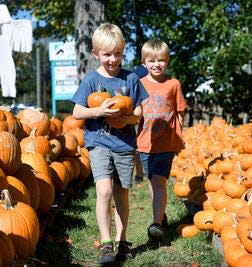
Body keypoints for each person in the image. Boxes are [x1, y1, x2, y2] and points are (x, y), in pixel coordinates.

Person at [71, 23, 148, 265]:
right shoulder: (91, 80)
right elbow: (77, 112)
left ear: (123, 52)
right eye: (107, 54)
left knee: (121, 193)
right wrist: (98, 111)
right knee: (103, 191)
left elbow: (138, 113)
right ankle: (106, 243)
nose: (113, 59)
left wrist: (126, 118)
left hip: (124, 145)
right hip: (98, 143)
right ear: (96, 54)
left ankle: (122, 239)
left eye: (117, 54)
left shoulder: (132, 79)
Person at [136, 39, 187, 245]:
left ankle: (156, 225)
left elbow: (180, 111)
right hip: (144, 142)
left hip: (165, 143)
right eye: (151, 60)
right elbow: (134, 112)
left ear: (167, 61)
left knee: (159, 181)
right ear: (143, 62)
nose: (156, 64)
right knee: (151, 181)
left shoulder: (173, 84)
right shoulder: (139, 84)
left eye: (161, 60)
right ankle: (161, 215)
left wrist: (177, 135)